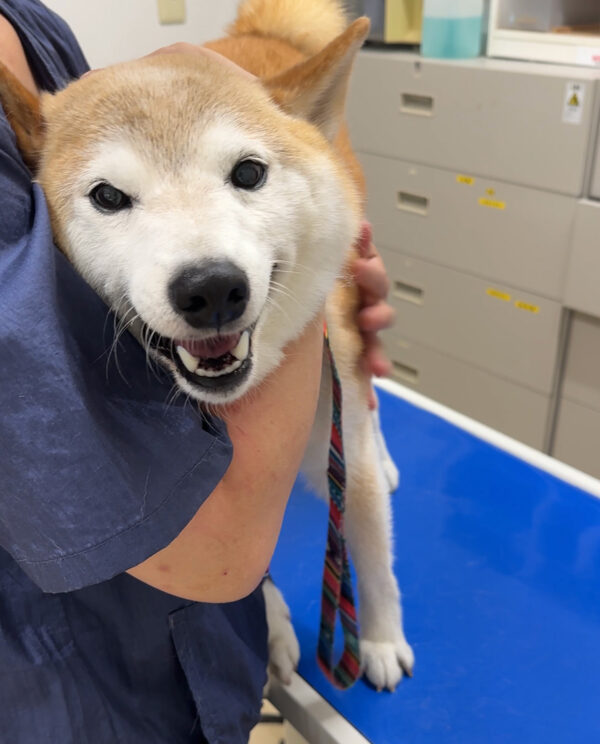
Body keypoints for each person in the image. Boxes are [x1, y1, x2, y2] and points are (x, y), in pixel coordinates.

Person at [0, 1, 394, 742]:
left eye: (245, 171)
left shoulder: (34, 26)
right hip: (71, 688)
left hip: (203, 659)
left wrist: (318, 254)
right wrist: (305, 286)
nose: (206, 271)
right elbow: (216, 553)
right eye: (111, 198)